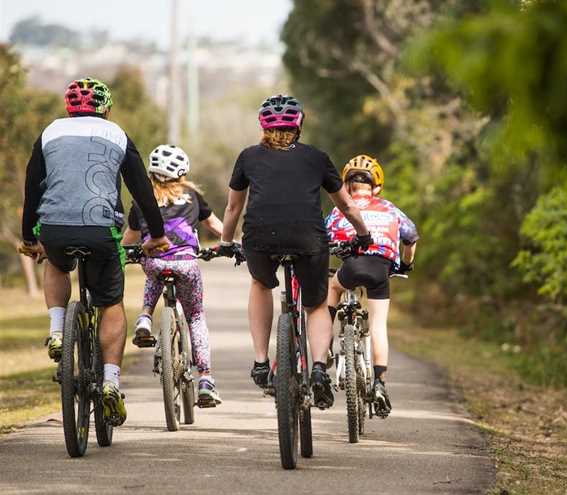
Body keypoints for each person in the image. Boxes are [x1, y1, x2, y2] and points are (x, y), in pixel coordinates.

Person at [18, 77, 170, 425]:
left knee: (56, 263)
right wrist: (157, 234)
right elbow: (141, 190)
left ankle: (57, 329)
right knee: (111, 303)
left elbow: (32, 189)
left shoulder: (49, 133)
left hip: (54, 227)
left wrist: (30, 238)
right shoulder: (117, 134)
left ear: (69, 108)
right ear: (107, 108)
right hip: (101, 230)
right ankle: (111, 384)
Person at [218, 94, 371, 409]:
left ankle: (261, 361)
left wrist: (224, 241)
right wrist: (363, 234)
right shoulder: (316, 157)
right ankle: (318, 369)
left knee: (260, 284)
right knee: (316, 305)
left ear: (263, 126)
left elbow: (234, 207)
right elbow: (346, 205)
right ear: (299, 125)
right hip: (308, 239)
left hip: (260, 238)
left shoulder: (248, 157)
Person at [121, 144, 225, 407]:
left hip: (155, 261)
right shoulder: (191, 195)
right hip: (187, 263)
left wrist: (124, 254)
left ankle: (145, 316)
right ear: (181, 173)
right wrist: (230, 244)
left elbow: (128, 239)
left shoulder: (141, 199)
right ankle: (206, 380)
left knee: (153, 271)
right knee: (196, 317)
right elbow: (214, 225)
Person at [325, 155, 419, 417]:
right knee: (378, 325)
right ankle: (379, 382)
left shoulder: (339, 209)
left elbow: (324, 239)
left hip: (351, 267)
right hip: (381, 270)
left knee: (333, 288)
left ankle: (325, 343)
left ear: (345, 184)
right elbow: (411, 238)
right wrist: (406, 264)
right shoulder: (390, 209)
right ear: (377, 186)